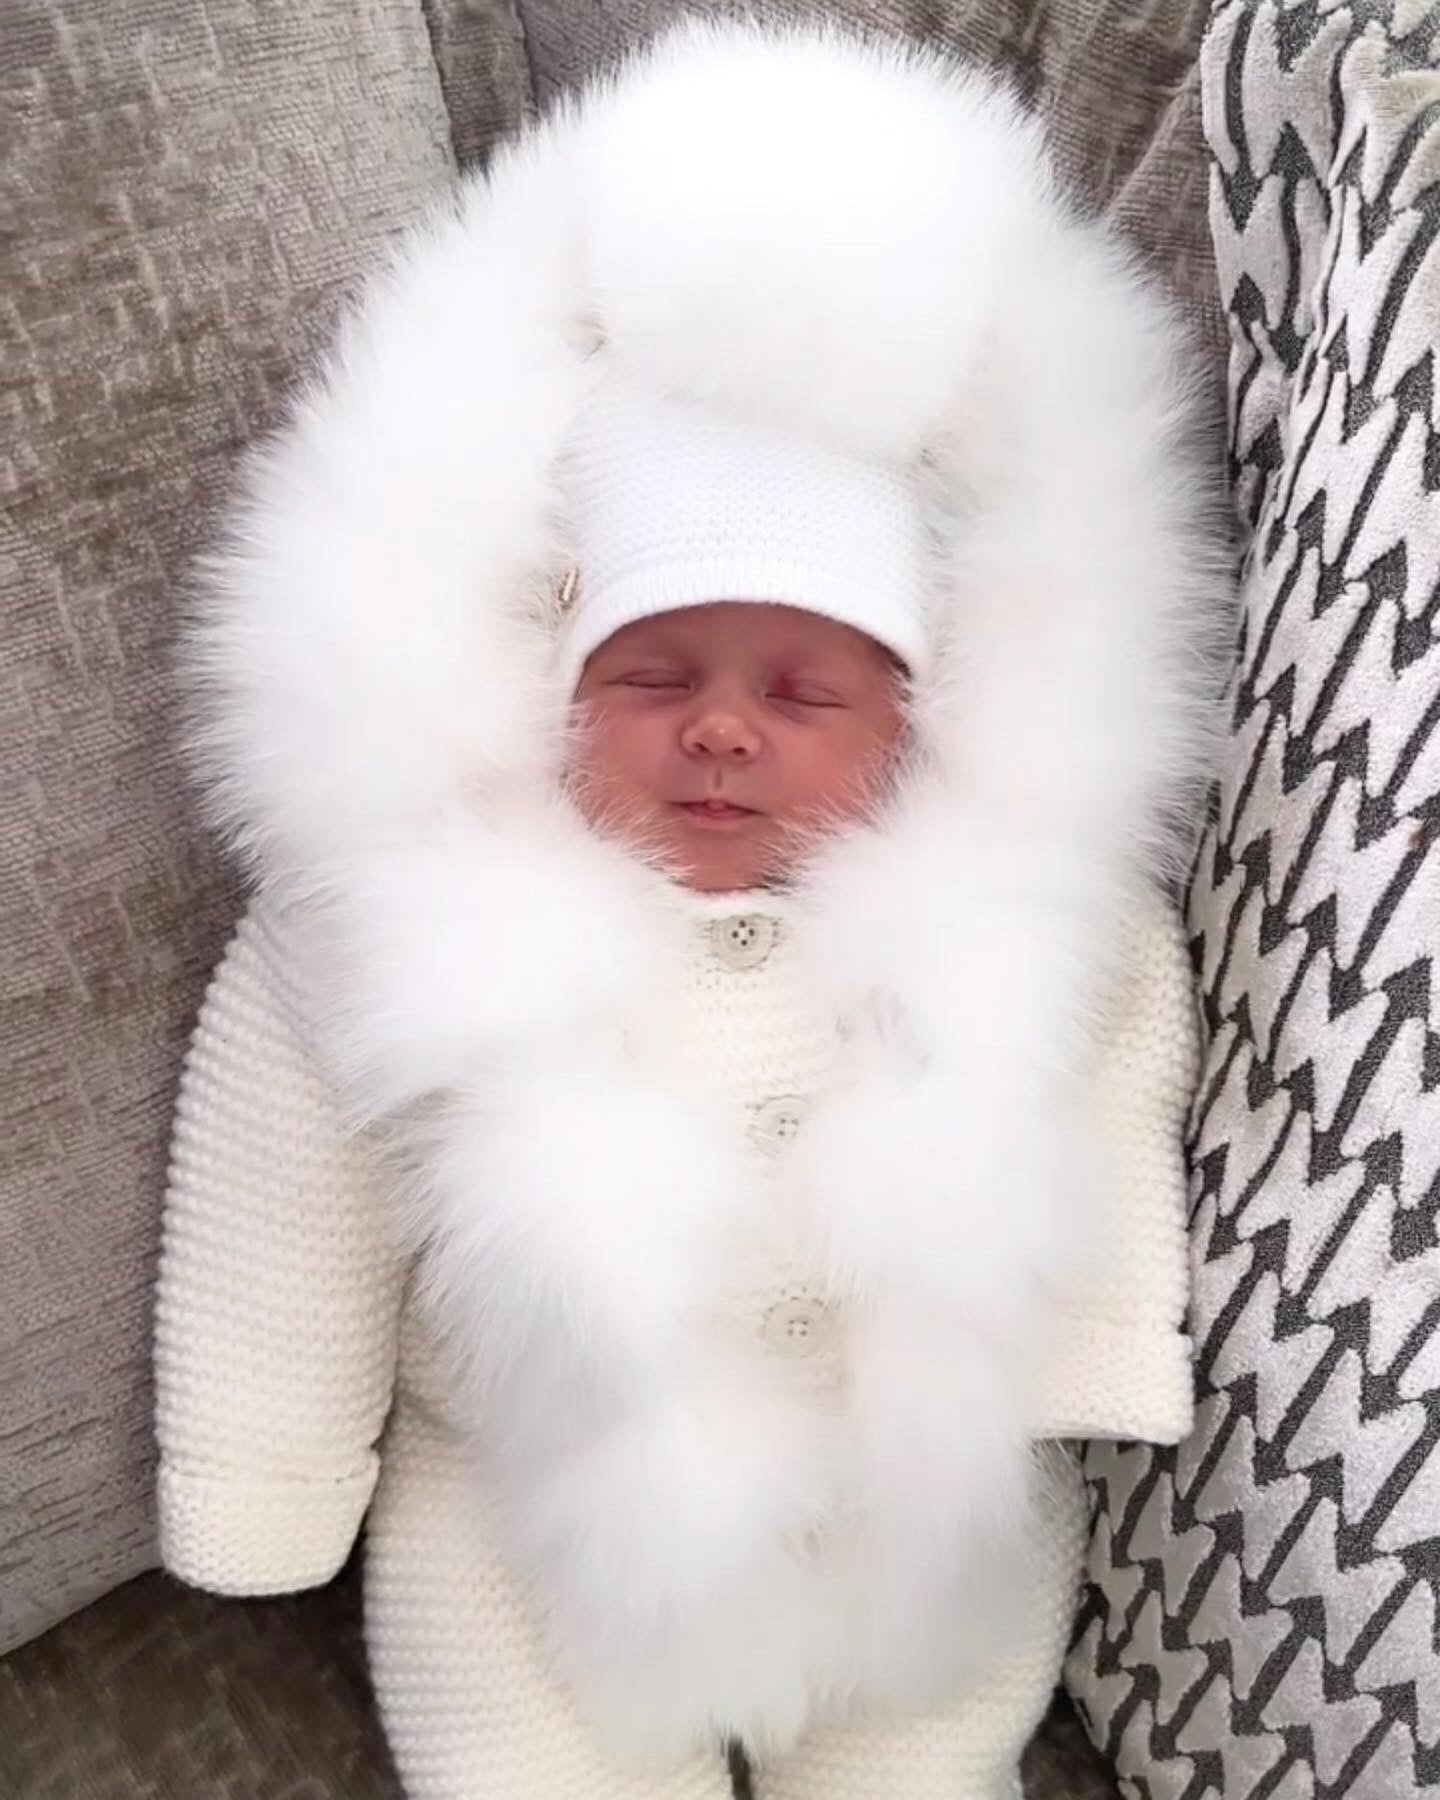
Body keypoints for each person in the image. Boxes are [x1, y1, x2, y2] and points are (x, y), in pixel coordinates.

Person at [154, 18, 1227, 1798]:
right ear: (549, 685)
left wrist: (1091, 1357)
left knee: (937, 1733)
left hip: (911, 1506)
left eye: (804, 693)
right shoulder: (393, 934)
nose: (722, 730)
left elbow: (1100, 1119)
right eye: (653, 676)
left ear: (922, 720)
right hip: (529, 1518)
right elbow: (280, 1212)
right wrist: (260, 1488)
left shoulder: (1027, 927)